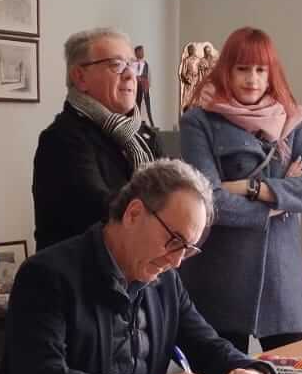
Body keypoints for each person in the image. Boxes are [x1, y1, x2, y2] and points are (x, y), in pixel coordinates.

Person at [3, 159, 278, 374]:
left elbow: (207, 346)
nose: (176, 261)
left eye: (187, 249)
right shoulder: (47, 275)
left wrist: (252, 372)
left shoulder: (166, 282)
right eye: (174, 240)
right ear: (133, 214)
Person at [178, 26, 302, 354]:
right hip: (219, 277)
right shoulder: (198, 122)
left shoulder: (293, 121)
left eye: (261, 70)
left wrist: (252, 187)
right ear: (226, 71)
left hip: (281, 279)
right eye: (242, 69)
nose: (252, 79)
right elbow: (210, 201)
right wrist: (283, 197)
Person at [32, 27, 163, 251]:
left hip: (144, 267)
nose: (130, 75)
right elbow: (102, 212)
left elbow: (175, 195)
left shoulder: (146, 137)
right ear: (80, 77)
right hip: (83, 269)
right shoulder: (62, 139)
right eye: (116, 65)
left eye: (133, 65)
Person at [132, 44, 154, 126]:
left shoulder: (146, 64)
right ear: (136, 52)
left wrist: (147, 85)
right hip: (136, 89)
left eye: (143, 51)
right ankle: (136, 121)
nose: (142, 53)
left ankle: (150, 123)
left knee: (146, 106)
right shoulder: (132, 64)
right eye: (141, 51)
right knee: (136, 105)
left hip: (144, 89)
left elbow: (149, 76)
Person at [178, 42, 204, 111]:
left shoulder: (198, 60)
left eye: (193, 49)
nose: (192, 51)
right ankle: (186, 110)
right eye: (190, 50)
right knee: (188, 96)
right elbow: (183, 72)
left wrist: (200, 79)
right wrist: (186, 79)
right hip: (189, 79)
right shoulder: (186, 60)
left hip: (196, 79)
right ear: (189, 51)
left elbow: (201, 71)